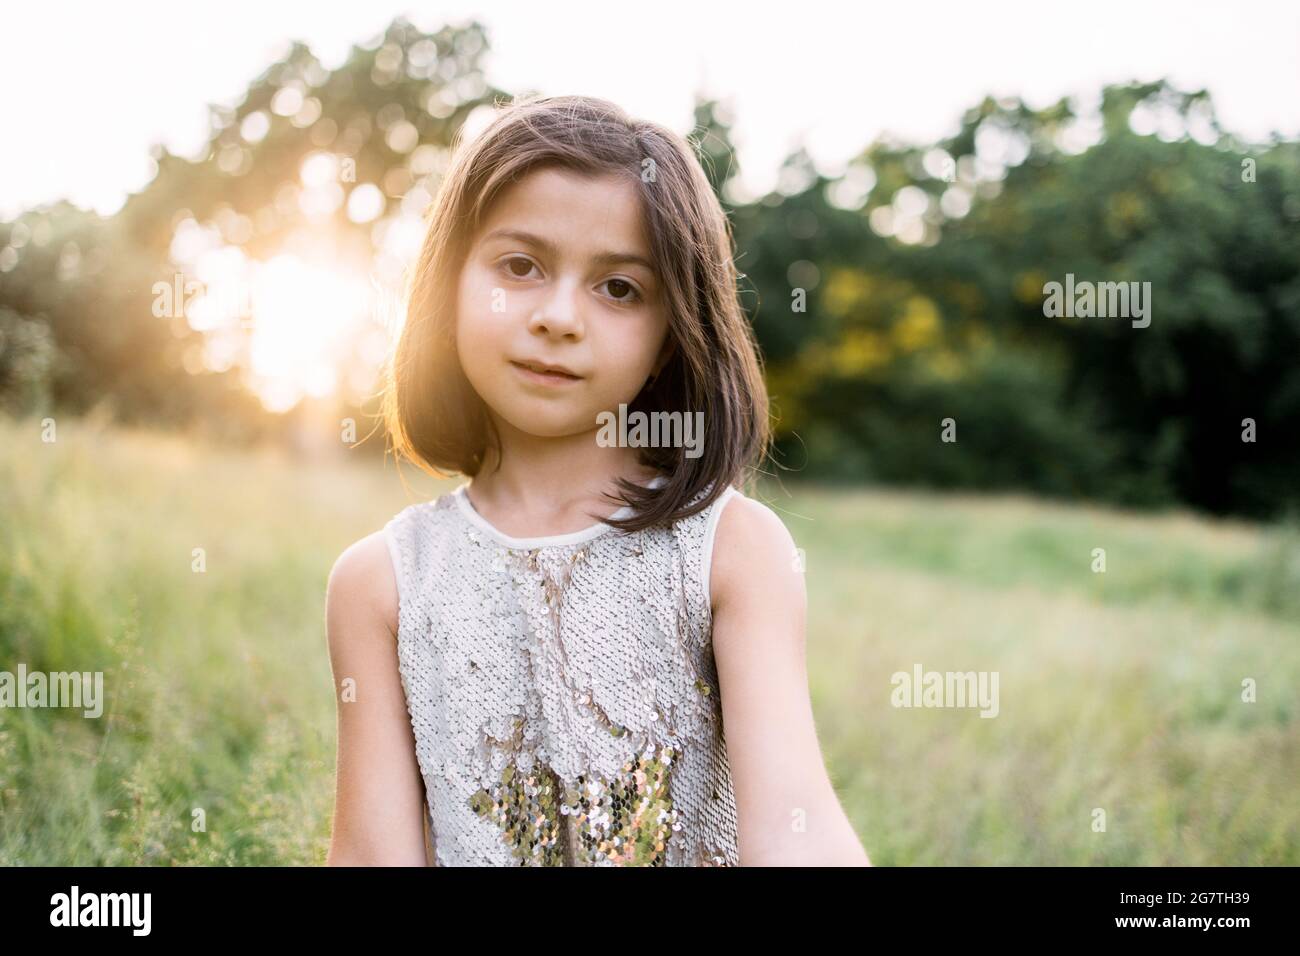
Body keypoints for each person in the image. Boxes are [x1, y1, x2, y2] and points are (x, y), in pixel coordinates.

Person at [325, 94, 870, 866]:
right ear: (448, 284)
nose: (558, 316)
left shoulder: (731, 551)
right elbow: (370, 856)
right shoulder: (381, 583)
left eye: (618, 288)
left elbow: (796, 827)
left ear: (672, 333)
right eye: (520, 266)